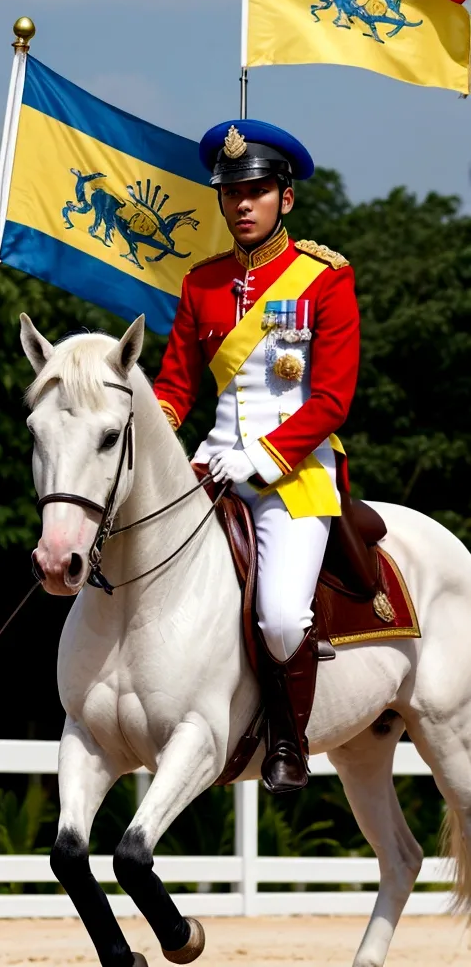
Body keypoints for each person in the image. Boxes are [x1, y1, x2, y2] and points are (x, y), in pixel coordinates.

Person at [153, 119, 360, 794]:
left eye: (258, 191)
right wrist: (157, 435)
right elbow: (176, 386)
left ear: (285, 198)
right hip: (213, 466)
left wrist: (262, 458)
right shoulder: (202, 283)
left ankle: (289, 744)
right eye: (232, 193)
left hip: (295, 476)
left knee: (277, 617)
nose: (242, 204)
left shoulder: (324, 279)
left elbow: (330, 400)